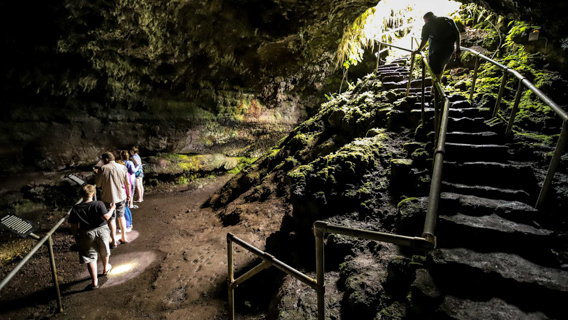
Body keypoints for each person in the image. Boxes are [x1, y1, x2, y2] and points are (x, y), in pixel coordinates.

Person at [69, 184, 114, 289]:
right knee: (104, 250)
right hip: (101, 230)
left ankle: (94, 282)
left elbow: (74, 225)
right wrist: (112, 208)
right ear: (93, 194)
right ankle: (106, 268)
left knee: (90, 257)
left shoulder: (76, 208)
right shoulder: (99, 204)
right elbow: (106, 217)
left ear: (81, 195)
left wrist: (76, 236)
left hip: (86, 233)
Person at [94, 152, 131, 248]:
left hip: (108, 197)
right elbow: (127, 183)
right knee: (121, 216)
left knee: (111, 219)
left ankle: (114, 241)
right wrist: (129, 195)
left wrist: (97, 175)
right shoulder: (122, 167)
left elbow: (97, 184)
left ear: (106, 159)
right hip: (121, 196)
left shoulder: (103, 169)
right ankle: (124, 237)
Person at [414, 12, 461, 83]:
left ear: (426, 19)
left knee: (434, 71)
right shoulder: (448, 20)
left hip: (436, 50)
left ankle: (436, 90)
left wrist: (419, 50)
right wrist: (458, 48)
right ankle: (436, 89)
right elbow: (457, 33)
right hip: (449, 48)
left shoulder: (427, 25)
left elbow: (424, 40)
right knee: (440, 68)